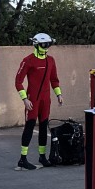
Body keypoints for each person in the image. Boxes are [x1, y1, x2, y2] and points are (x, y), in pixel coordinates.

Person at [14, 33, 63, 170]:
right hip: (33, 99)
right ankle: (22, 159)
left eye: (48, 44)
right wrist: (25, 99)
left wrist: (58, 94)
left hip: (45, 100)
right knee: (29, 127)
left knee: (43, 127)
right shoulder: (28, 60)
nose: (46, 47)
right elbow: (18, 82)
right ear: (36, 44)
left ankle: (42, 157)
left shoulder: (51, 60)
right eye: (43, 44)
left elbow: (54, 80)